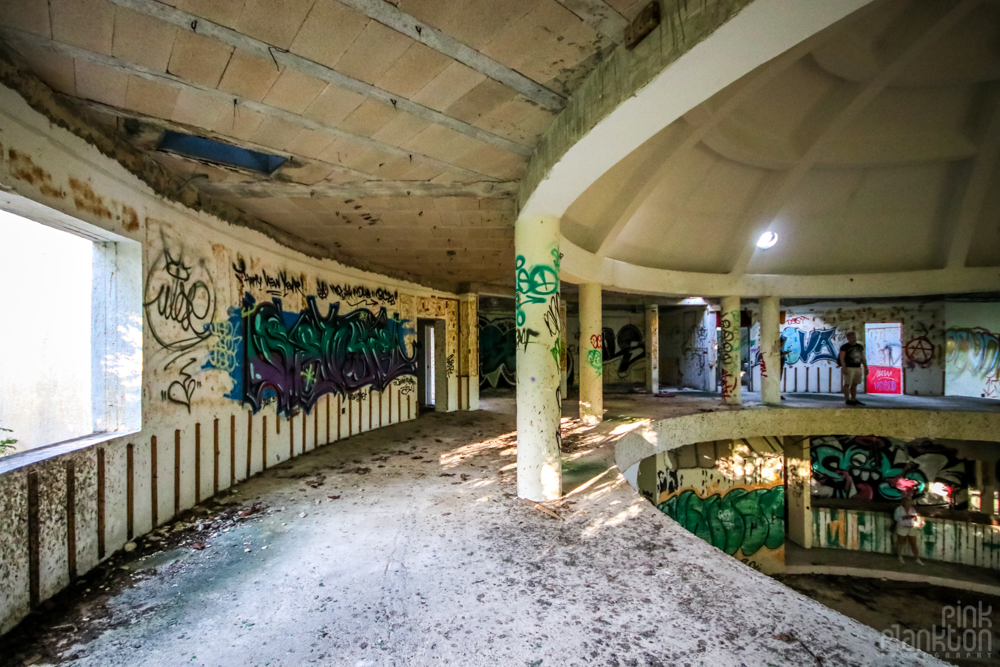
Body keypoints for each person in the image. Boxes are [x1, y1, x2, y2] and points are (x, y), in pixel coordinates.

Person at [838, 331, 868, 406]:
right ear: (848, 339)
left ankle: (854, 399)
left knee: (855, 384)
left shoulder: (860, 346)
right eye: (851, 338)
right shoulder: (844, 347)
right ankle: (847, 399)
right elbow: (841, 357)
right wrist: (843, 366)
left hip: (857, 367)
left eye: (854, 337)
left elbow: (862, 357)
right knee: (847, 384)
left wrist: (865, 367)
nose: (853, 339)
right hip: (849, 367)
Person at [894, 495, 925, 565]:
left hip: (911, 527)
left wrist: (916, 518)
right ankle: (899, 556)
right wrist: (904, 518)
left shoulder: (912, 509)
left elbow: (915, 517)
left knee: (913, 543)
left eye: (909, 503)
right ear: (903, 503)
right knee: (900, 542)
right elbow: (896, 518)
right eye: (907, 503)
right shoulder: (898, 509)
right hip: (902, 527)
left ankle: (917, 558)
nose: (909, 504)